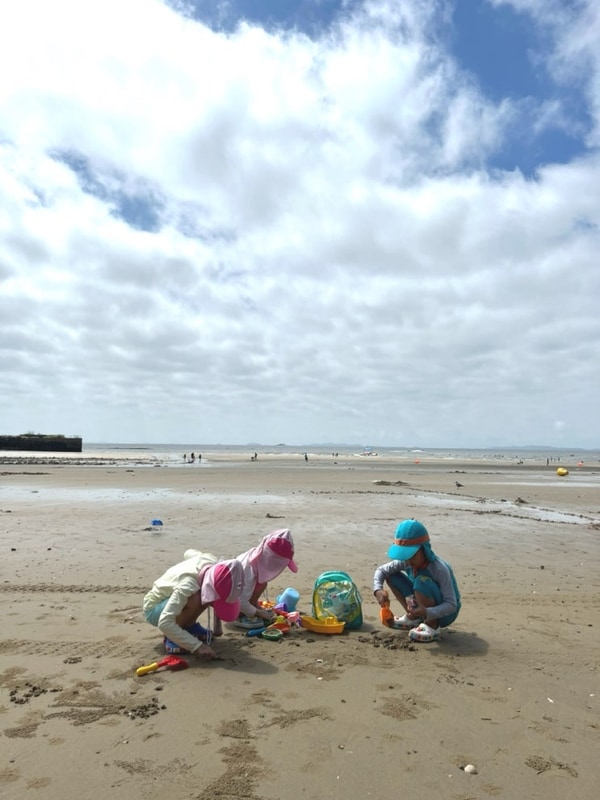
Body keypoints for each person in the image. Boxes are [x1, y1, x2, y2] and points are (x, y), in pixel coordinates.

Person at [143, 551, 244, 659]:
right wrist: (197, 646)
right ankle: (173, 636)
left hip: (183, 595)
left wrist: (217, 626)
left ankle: (188, 626)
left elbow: (188, 553)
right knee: (196, 597)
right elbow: (164, 623)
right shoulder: (187, 585)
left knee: (203, 595)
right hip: (155, 608)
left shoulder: (212, 563)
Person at [373, 519, 461, 643]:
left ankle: (432, 625)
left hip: (444, 613)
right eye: (405, 556)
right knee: (391, 575)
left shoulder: (439, 568)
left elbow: (452, 605)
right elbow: (381, 571)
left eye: (412, 555)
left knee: (421, 581)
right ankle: (414, 617)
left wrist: (427, 612)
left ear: (424, 549)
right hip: (423, 604)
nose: (409, 561)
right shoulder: (407, 562)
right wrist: (378, 590)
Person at [234, 528, 298, 629]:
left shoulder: (257, 559)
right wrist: (258, 613)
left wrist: (258, 608)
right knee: (257, 587)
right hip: (230, 597)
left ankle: (252, 607)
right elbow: (241, 601)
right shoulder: (248, 569)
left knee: (262, 583)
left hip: (240, 592)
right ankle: (239, 616)